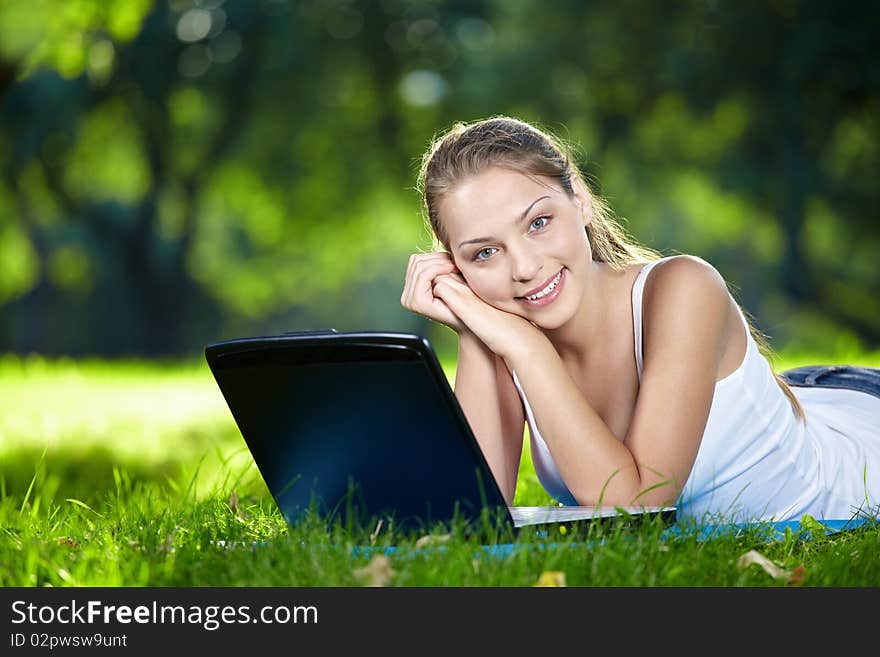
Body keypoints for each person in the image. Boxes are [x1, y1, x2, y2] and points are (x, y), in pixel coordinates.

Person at [400, 115, 880, 524]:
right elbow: (475, 519)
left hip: (859, 433)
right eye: (484, 253)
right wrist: (472, 329)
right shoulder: (503, 331)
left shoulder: (684, 287)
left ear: (580, 200)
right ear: (456, 268)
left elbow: (636, 504)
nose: (524, 268)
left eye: (538, 223)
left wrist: (528, 350)